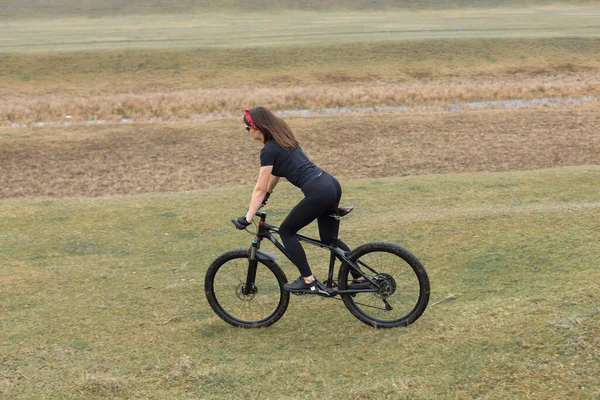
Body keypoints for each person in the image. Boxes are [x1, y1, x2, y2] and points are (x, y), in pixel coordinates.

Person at [237, 106, 353, 294]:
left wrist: (248, 217)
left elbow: (258, 188)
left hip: (318, 192)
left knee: (286, 231)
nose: (247, 133)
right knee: (328, 240)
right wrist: (268, 194)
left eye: (246, 128)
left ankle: (308, 281)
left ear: (256, 128)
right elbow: (276, 173)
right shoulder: (283, 138)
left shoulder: (268, 150)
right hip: (330, 184)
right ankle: (359, 277)